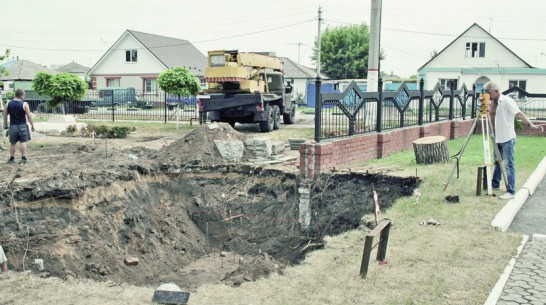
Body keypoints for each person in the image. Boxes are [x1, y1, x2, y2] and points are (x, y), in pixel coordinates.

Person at [484, 81, 544, 200]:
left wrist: (530, 124)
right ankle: (495, 183)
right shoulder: (491, 103)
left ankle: (510, 191)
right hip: (496, 137)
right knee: (497, 161)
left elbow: (519, 114)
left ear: (496, 91)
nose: (487, 95)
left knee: (509, 164)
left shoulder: (506, 101)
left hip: (507, 137)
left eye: (488, 93)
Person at [3, 88, 36, 164]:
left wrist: (6, 125)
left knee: (13, 143)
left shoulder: (8, 104)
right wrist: (32, 125)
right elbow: (29, 116)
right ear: (21, 95)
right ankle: (23, 158)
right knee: (23, 141)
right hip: (22, 125)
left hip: (13, 126)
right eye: (23, 95)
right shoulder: (24, 104)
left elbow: (5, 115)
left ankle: (11, 158)